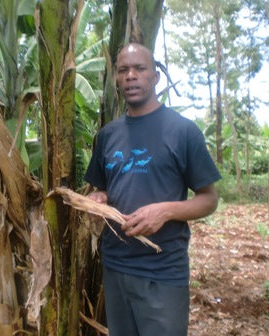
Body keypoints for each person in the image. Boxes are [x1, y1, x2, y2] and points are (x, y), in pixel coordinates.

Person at [84, 42, 221, 336]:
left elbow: (209, 199)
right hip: (115, 266)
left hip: (162, 272)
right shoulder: (107, 136)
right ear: (117, 79)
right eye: (123, 70)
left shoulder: (183, 131)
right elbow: (102, 189)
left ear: (155, 76)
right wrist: (97, 198)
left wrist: (167, 210)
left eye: (139, 68)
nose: (131, 76)